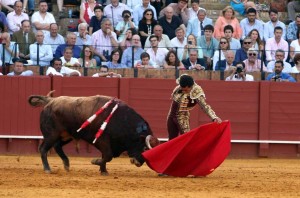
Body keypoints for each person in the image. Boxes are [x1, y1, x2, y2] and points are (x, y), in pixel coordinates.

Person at [167, 74, 222, 140]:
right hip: (171, 115)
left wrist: (214, 117)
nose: (182, 90)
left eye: (185, 89)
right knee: (171, 140)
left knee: (186, 139)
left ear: (189, 87)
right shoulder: (182, 81)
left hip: (182, 117)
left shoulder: (196, 91)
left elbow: (204, 106)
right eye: (181, 87)